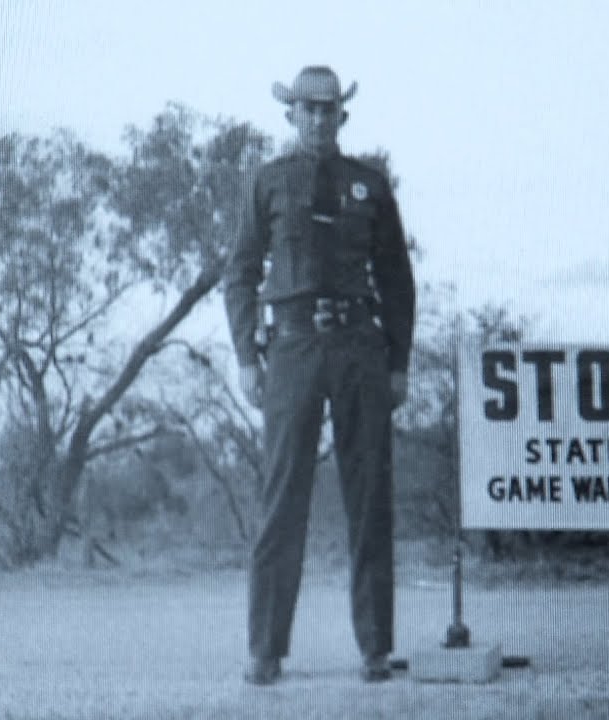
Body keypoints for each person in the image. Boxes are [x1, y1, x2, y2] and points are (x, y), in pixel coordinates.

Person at [223, 65, 416, 685]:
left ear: (343, 116)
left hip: (360, 344)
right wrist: (249, 358)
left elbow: (396, 280)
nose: (319, 118)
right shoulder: (268, 183)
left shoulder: (371, 185)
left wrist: (398, 362)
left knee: (369, 496)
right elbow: (241, 274)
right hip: (294, 344)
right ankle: (265, 648)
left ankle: (376, 648)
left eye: (329, 109)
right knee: (283, 497)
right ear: (291, 115)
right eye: (308, 108)